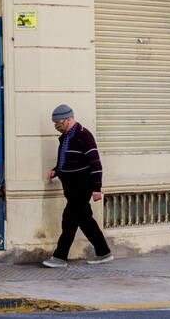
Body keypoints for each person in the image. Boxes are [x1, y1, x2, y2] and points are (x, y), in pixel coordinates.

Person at [43, 104, 113, 268]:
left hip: (82, 187)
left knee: (69, 220)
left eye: (58, 122)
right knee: (85, 220)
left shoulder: (84, 135)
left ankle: (60, 257)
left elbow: (95, 163)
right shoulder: (67, 136)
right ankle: (103, 252)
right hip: (71, 187)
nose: (56, 126)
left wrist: (97, 188)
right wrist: (56, 171)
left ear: (68, 120)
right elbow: (68, 159)